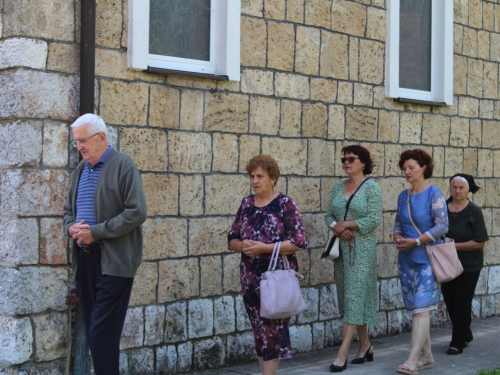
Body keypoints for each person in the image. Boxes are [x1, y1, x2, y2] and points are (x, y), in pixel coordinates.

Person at [63, 114, 147, 375]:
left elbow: (136, 212)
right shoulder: (80, 169)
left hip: (115, 262)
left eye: (83, 141)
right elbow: (68, 210)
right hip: (86, 260)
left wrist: (95, 233)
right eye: (76, 142)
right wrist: (71, 227)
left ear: (102, 137)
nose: (80, 147)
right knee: (95, 333)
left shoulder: (123, 165)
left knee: (100, 333)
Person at [228, 155, 307, 375]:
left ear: (272, 178)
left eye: (260, 176)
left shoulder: (285, 204)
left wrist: (264, 248)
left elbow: (299, 242)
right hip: (250, 279)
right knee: (258, 330)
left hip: (275, 279)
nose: (255, 181)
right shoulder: (246, 203)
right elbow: (231, 239)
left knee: (271, 331)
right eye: (252, 176)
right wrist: (242, 245)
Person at [324, 145, 383, 373]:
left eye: (351, 158)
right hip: (342, 250)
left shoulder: (372, 188)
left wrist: (346, 224)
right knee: (351, 299)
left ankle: (342, 354)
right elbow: (330, 214)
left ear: (364, 163)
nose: (346, 162)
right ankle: (366, 345)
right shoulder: (338, 187)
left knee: (354, 296)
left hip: (362, 250)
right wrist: (336, 227)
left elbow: (373, 219)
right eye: (344, 159)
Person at [393, 149, 448, 375]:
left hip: (427, 259)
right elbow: (398, 223)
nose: (406, 172)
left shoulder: (434, 193)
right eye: (404, 168)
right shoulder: (402, 196)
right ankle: (427, 356)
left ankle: (412, 360)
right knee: (417, 309)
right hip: (406, 259)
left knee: (420, 309)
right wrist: (397, 236)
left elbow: (442, 226)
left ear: (424, 168)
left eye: (411, 167)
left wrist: (416, 241)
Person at [442, 174, 488, 355]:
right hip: (446, 264)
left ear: (468, 190)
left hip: (469, 265)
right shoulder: (442, 209)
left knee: (462, 301)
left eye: (461, 188)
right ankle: (466, 333)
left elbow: (480, 241)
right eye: (454, 187)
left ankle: (457, 342)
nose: (457, 191)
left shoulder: (474, 211)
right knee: (450, 301)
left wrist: (453, 246)